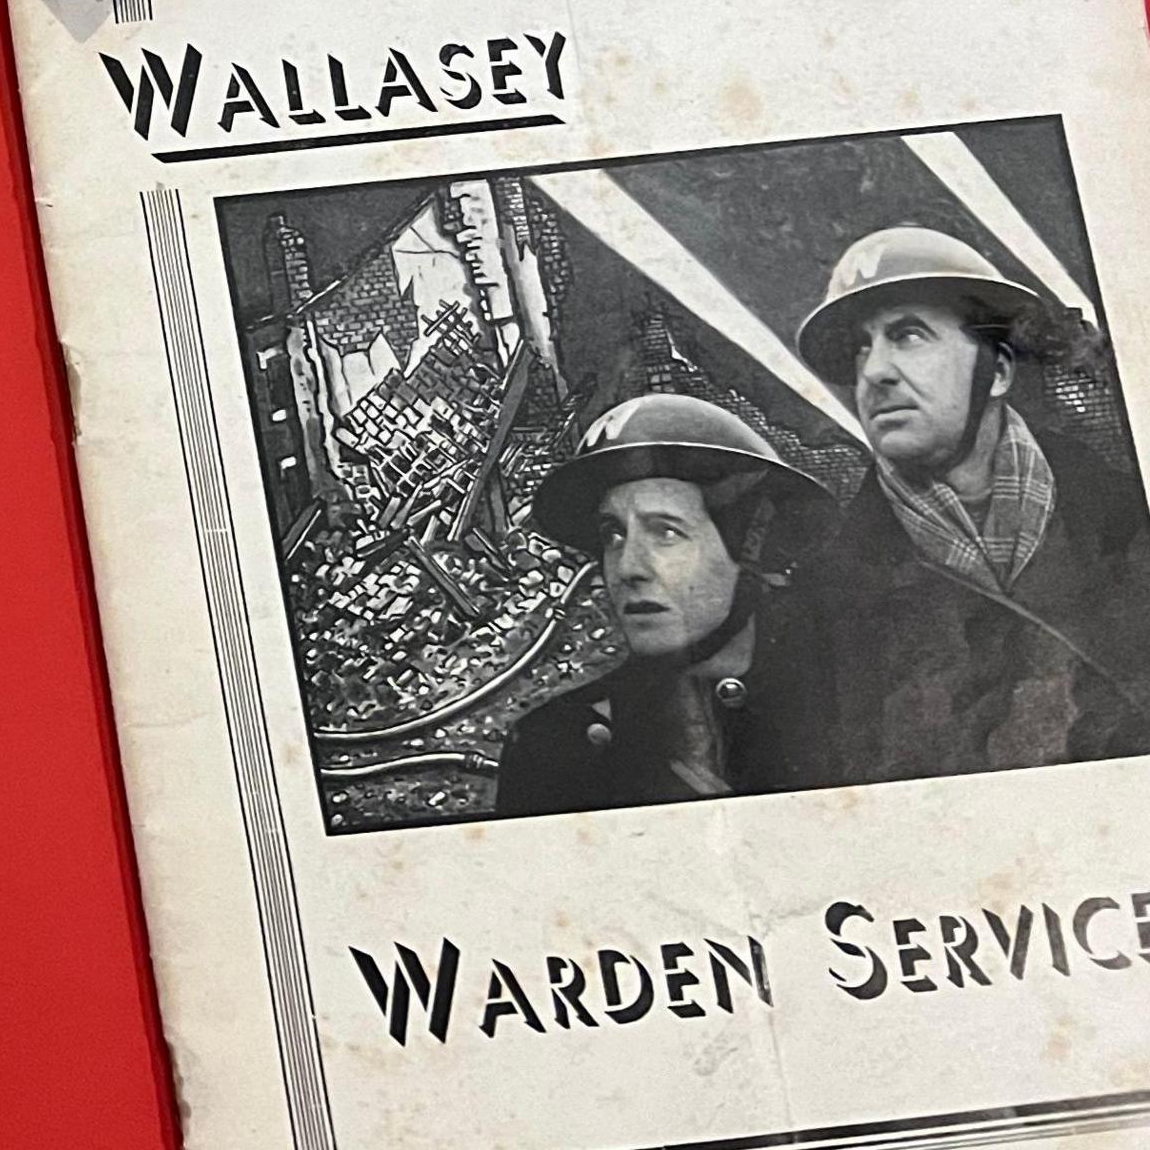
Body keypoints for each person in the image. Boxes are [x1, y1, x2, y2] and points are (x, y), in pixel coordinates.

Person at [786, 227, 1150, 775]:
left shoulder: (1127, 521)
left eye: (907, 335)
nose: (874, 371)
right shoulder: (823, 598)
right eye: (862, 347)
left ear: (998, 370)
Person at [493, 394, 836, 814]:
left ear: (751, 547)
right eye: (612, 535)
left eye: (666, 532)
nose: (628, 567)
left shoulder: (853, 706)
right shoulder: (557, 748)